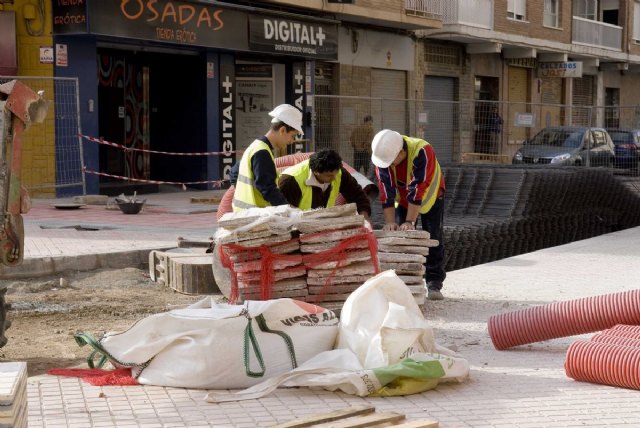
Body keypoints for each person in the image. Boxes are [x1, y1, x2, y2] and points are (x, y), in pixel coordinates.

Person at [370, 129, 446, 300]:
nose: (389, 165)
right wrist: (390, 222)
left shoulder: (422, 151)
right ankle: (401, 284)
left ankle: (434, 283)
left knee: (433, 237)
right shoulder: (384, 157)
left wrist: (410, 221)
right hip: (405, 199)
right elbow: (385, 190)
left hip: (431, 197)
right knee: (400, 238)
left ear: (402, 152)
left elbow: (418, 188)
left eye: (392, 162)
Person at [232, 104, 303, 212]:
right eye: (293, 136)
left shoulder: (256, 147)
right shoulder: (262, 152)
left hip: (244, 213)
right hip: (254, 216)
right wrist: (288, 209)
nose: (292, 141)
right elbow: (268, 189)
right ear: (282, 130)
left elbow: (234, 173)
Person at [278, 149, 371, 220]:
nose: (334, 178)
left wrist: (364, 219)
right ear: (316, 172)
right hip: (296, 227)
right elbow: (284, 216)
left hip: (323, 225)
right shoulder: (290, 180)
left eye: (335, 174)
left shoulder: (339, 173)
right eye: (329, 176)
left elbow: (358, 196)